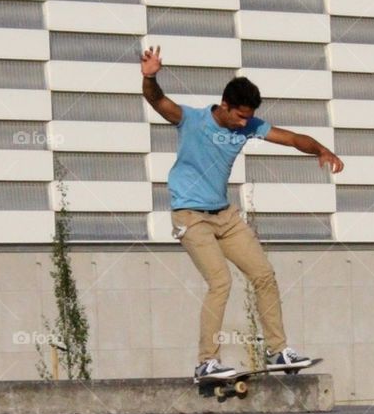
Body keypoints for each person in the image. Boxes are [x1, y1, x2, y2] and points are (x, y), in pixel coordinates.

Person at [141, 46, 344, 381]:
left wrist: (320, 148)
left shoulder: (248, 125)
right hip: (190, 216)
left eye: (248, 118)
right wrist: (150, 77)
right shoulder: (190, 119)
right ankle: (207, 360)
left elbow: (292, 138)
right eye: (239, 116)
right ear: (224, 105)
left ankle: (278, 350)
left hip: (225, 215)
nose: (243, 123)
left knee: (264, 274)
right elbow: (158, 101)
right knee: (220, 281)